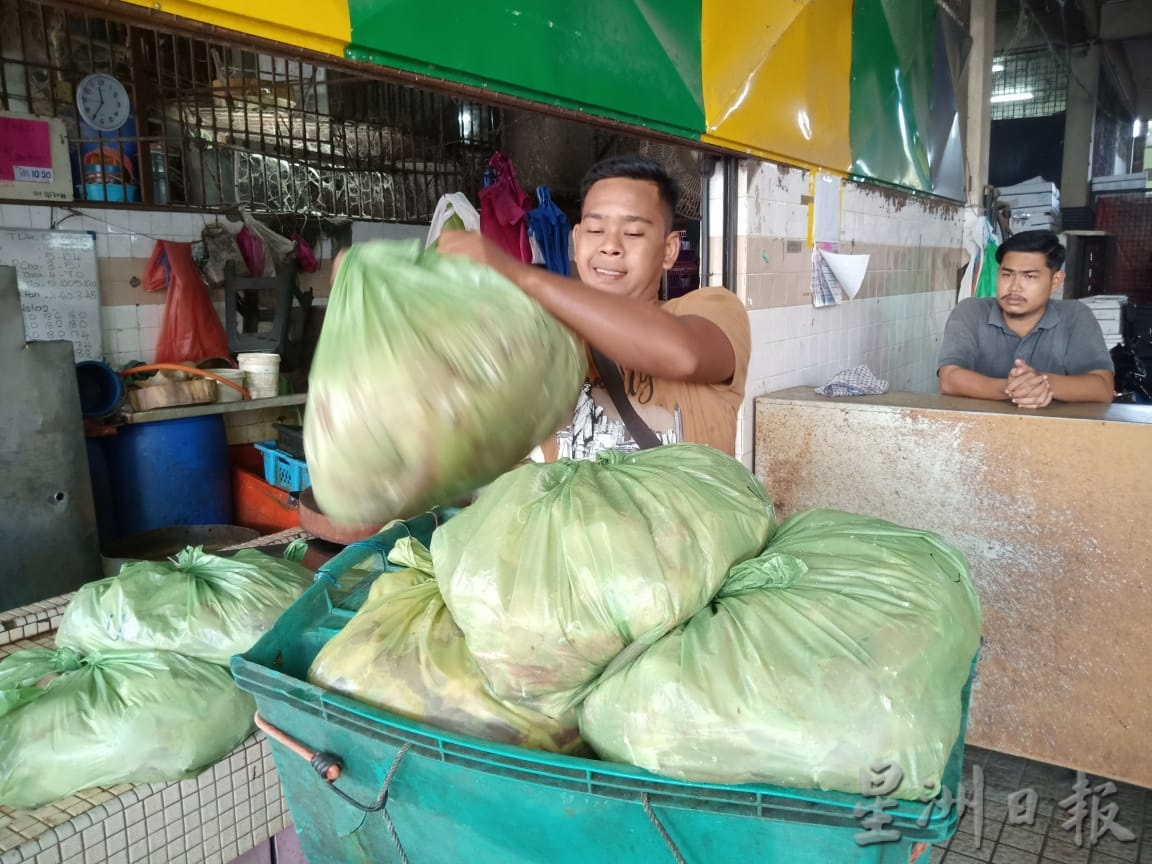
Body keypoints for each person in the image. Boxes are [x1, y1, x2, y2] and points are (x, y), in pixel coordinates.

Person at [438, 155, 750, 460]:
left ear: (668, 250)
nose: (610, 246)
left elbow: (684, 355)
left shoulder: (712, 308)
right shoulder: (546, 332)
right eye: (596, 230)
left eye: (633, 233)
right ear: (576, 240)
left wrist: (521, 275)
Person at [937, 229, 1114, 408]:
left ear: (1055, 281)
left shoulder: (1074, 316)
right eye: (1007, 275)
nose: (1014, 287)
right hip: (981, 425)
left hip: (1052, 426)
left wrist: (1043, 383)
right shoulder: (971, 312)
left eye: (1029, 276)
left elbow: (1103, 388)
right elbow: (950, 378)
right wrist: (1014, 388)